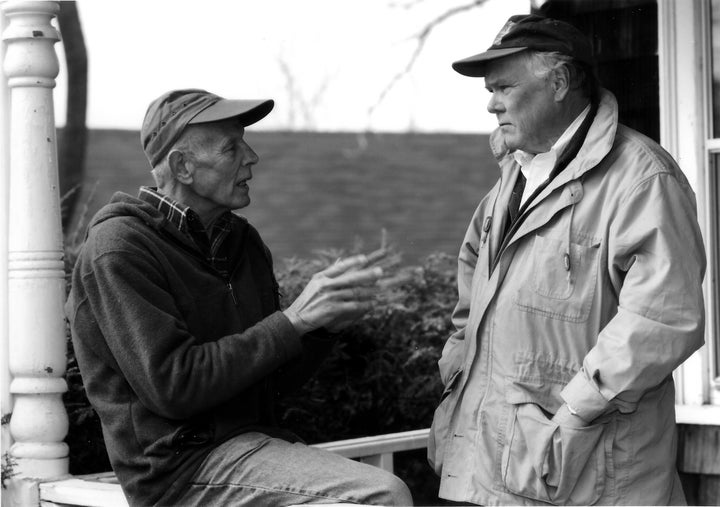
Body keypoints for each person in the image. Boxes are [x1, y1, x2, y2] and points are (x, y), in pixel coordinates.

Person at [66, 88, 413, 506]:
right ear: (184, 166)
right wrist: (295, 320)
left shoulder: (242, 243)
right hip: (179, 470)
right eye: (232, 147)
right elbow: (174, 387)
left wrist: (323, 328)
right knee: (382, 493)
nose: (251, 157)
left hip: (253, 447)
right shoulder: (119, 249)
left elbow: (269, 383)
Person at [427, 14, 706, 506]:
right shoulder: (513, 178)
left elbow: (663, 318)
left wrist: (575, 414)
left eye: (504, 87)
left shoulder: (642, 180)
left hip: (594, 475)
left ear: (558, 82)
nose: (491, 104)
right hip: (504, 467)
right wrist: (458, 372)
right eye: (489, 90)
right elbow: (474, 291)